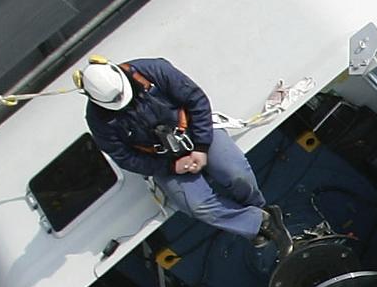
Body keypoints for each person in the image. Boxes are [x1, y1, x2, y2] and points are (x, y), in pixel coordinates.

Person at [81, 55, 285, 248]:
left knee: (236, 172)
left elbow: (196, 100)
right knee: (197, 205)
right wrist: (170, 166)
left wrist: (201, 147)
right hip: (164, 161)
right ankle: (260, 222)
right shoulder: (98, 120)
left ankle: (259, 209)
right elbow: (125, 158)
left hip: (197, 132)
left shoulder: (154, 70)